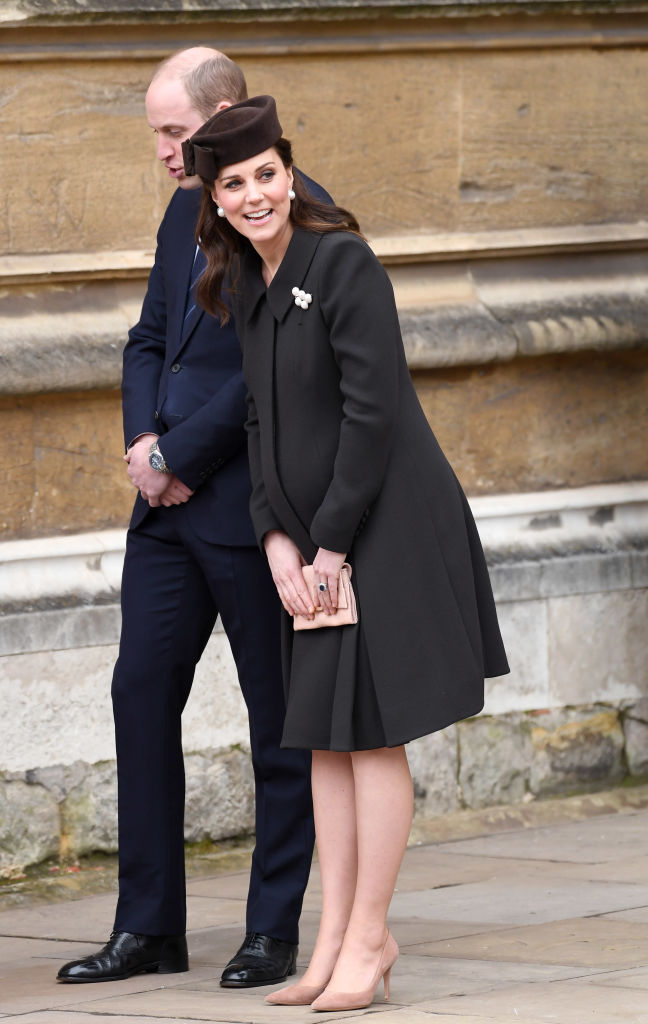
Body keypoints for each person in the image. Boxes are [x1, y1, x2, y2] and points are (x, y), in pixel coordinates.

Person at [182, 95, 510, 1011]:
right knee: (325, 739)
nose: (256, 196)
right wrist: (277, 538)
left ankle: (370, 938)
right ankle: (332, 938)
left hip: (385, 531)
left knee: (373, 740)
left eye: (267, 175)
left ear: (289, 171)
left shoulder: (344, 262)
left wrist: (326, 547)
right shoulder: (246, 282)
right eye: (235, 184)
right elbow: (257, 421)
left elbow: (372, 417)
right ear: (215, 198)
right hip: (317, 543)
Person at [57, 50, 332, 989]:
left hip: (252, 514)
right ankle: (149, 929)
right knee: (139, 696)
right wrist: (144, 446)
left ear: (226, 116)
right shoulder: (185, 207)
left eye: (175, 133)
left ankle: (272, 930)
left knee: (277, 722)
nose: (165, 153)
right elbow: (149, 343)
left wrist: (178, 456)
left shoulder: (287, 213)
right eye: (160, 136)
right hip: (164, 515)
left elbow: (270, 380)